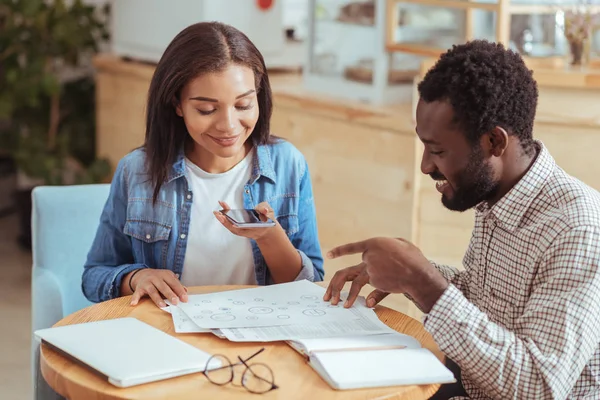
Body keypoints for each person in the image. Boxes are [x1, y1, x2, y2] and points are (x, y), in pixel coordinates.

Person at [324, 40, 600, 399]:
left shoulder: (579, 229)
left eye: (437, 150)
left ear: (493, 142)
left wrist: (424, 282)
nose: (425, 166)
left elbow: (541, 386)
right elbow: (493, 305)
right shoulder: (497, 194)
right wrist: (413, 273)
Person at [82, 22, 324, 308]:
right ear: (177, 104)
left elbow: (311, 287)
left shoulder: (288, 165)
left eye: (244, 105)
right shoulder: (137, 171)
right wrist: (137, 277)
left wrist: (270, 237)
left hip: (259, 337)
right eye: (206, 109)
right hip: (166, 336)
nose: (228, 126)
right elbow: (94, 277)